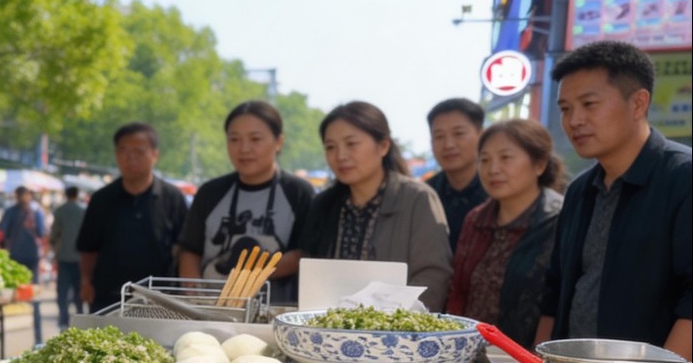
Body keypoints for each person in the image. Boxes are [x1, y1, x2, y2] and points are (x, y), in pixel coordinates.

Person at [537, 40, 691, 358]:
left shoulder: (682, 177)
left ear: (638, 103)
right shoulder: (580, 190)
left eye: (589, 104)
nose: (574, 120)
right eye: (565, 109)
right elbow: (555, 290)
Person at [295, 101, 453, 311]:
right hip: (330, 332)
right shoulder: (323, 204)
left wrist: (397, 323)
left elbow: (433, 276)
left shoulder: (417, 198)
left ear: (383, 146)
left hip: (395, 333)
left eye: (351, 144)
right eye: (330, 147)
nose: (340, 156)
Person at [177, 100, 314, 303]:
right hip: (211, 307)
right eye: (234, 139)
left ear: (279, 142)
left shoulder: (298, 192)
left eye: (255, 139)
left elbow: (303, 254)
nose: (244, 148)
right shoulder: (210, 192)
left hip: (273, 310)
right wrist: (195, 296)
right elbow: (190, 250)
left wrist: (243, 281)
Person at [447, 120, 564, 349]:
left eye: (505, 158)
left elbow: (556, 303)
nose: (493, 169)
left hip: (529, 359)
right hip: (470, 353)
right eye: (485, 160)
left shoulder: (559, 219)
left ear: (539, 164)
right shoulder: (476, 219)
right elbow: (458, 291)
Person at [77, 122, 188, 312]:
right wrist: (86, 282)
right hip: (109, 297)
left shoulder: (173, 198)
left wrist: (186, 290)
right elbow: (88, 248)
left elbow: (185, 249)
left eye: (139, 152)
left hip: (161, 300)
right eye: (124, 151)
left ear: (155, 155)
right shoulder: (101, 199)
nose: (130, 158)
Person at [425, 98, 488, 252]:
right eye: (439, 136)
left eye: (458, 133)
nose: (448, 144)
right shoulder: (425, 195)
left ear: (481, 135)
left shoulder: (498, 188)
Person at [48, 186, 86, 328]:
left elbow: (53, 235)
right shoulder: (83, 211)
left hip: (63, 257)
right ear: (77, 195)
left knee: (62, 290)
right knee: (78, 289)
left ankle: (63, 318)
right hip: (79, 258)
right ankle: (80, 316)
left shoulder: (59, 211)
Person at [0, 185, 46, 281]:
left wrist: (2, 247)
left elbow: (2, 231)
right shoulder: (36, 212)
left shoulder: (10, 212)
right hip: (32, 253)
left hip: (15, 252)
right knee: (32, 283)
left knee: (16, 282)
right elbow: (41, 232)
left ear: (17, 197)